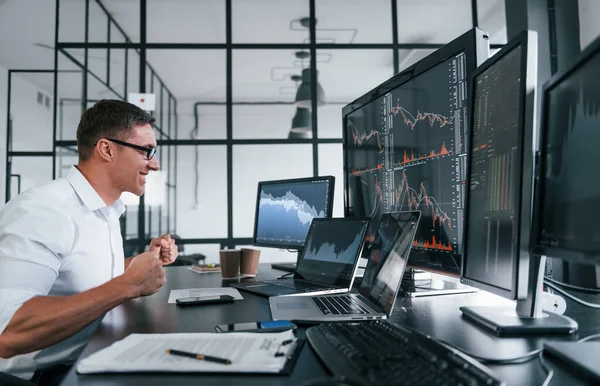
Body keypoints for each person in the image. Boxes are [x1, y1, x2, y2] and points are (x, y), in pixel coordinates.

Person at [0, 99, 178, 384]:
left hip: (84, 358)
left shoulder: (106, 210)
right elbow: (7, 334)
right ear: (106, 149)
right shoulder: (44, 210)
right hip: (34, 377)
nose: (154, 164)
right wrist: (130, 284)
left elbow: (83, 275)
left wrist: (142, 263)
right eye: (147, 151)